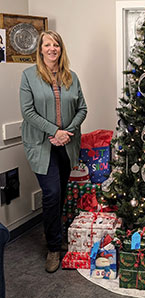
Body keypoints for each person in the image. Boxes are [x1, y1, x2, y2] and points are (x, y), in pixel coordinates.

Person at [20, 30, 87, 273]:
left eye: (56, 44)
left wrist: (66, 131)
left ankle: (55, 236)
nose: (52, 49)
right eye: (47, 45)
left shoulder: (72, 77)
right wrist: (54, 131)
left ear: (61, 49)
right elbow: (27, 112)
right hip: (41, 144)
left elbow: (82, 108)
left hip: (67, 143)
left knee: (59, 195)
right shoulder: (28, 76)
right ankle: (53, 247)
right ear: (40, 50)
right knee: (51, 193)